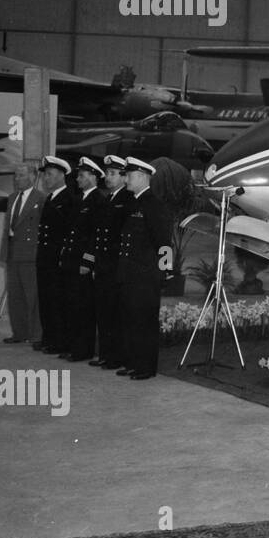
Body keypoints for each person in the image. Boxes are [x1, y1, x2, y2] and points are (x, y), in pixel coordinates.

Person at [116, 157, 173, 381]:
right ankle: (132, 362)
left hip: (146, 275)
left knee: (144, 322)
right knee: (130, 319)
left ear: (141, 176)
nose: (125, 179)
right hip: (130, 273)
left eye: (128, 175)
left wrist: (164, 272)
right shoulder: (133, 202)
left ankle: (145, 367)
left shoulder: (154, 205)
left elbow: (164, 242)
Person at [59, 157, 106, 363]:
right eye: (78, 175)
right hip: (71, 259)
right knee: (71, 304)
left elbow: (95, 235)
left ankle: (83, 349)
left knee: (83, 307)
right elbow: (71, 232)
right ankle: (72, 345)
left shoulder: (98, 200)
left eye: (82, 175)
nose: (78, 179)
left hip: (82, 263)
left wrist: (88, 261)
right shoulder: (79, 200)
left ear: (93, 177)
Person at [0, 162, 47, 346]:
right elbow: (8, 228)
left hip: (30, 254)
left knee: (32, 296)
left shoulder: (40, 198)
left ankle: (36, 334)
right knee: (15, 297)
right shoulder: (12, 198)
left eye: (22, 175)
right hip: (12, 253)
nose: (17, 179)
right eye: (16, 175)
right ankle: (19, 332)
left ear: (33, 177)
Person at [90, 156, 131, 370]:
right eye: (107, 173)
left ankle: (116, 356)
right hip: (104, 266)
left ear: (124, 177)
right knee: (104, 312)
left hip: (116, 266)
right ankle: (106, 354)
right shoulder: (109, 199)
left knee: (115, 314)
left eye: (113, 173)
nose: (107, 177)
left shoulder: (127, 200)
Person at [35, 155, 75, 356]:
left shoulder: (69, 198)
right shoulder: (50, 198)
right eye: (45, 175)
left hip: (57, 259)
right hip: (45, 258)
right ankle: (48, 338)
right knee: (46, 299)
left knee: (57, 301)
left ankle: (58, 341)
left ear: (61, 175)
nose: (46, 179)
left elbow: (68, 232)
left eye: (49, 175)